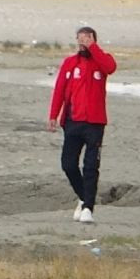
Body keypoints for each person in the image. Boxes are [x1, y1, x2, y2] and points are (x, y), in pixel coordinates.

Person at [48, 26, 116, 223]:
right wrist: (53, 114)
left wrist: (94, 48)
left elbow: (110, 67)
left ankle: (88, 208)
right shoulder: (70, 63)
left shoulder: (102, 61)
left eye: (87, 39)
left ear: (94, 40)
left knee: (91, 166)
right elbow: (60, 89)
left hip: (95, 123)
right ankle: (83, 197)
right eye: (80, 39)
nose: (83, 42)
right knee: (68, 164)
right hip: (72, 121)